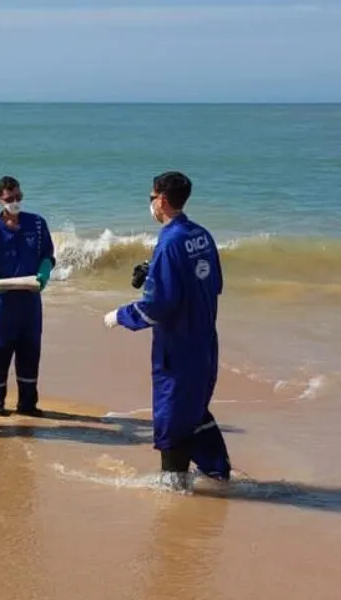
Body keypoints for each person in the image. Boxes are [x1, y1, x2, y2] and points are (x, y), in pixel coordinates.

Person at [102, 171, 232, 487]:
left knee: (172, 416)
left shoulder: (170, 241)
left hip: (177, 347)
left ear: (161, 199)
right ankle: (217, 473)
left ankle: (173, 488)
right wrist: (153, 272)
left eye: (151, 197)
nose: (151, 204)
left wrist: (121, 315)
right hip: (204, 343)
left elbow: (158, 306)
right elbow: (213, 284)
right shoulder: (200, 235)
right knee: (195, 408)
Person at [0, 175, 55, 417]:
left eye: (19, 196)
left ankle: (27, 403)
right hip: (3, 301)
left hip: (30, 300)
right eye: (10, 198)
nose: (15, 202)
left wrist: (44, 271)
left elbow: (48, 255)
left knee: (30, 349)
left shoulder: (37, 225)